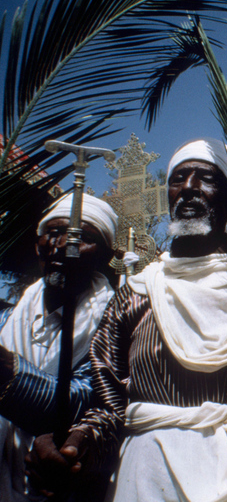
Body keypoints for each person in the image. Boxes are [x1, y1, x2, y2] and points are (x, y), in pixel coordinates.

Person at [25, 138, 227, 502]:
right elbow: (107, 404)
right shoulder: (137, 290)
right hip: (142, 474)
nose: (189, 188)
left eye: (206, 179)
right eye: (179, 178)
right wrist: (79, 443)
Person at [0, 194, 117, 501]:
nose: (64, 244)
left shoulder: (113, 323)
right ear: (38, 242)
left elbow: (90, 399)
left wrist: (9, 372)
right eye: (53, 232)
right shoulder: (9, 317)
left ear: (106, 255)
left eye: (83, 237)